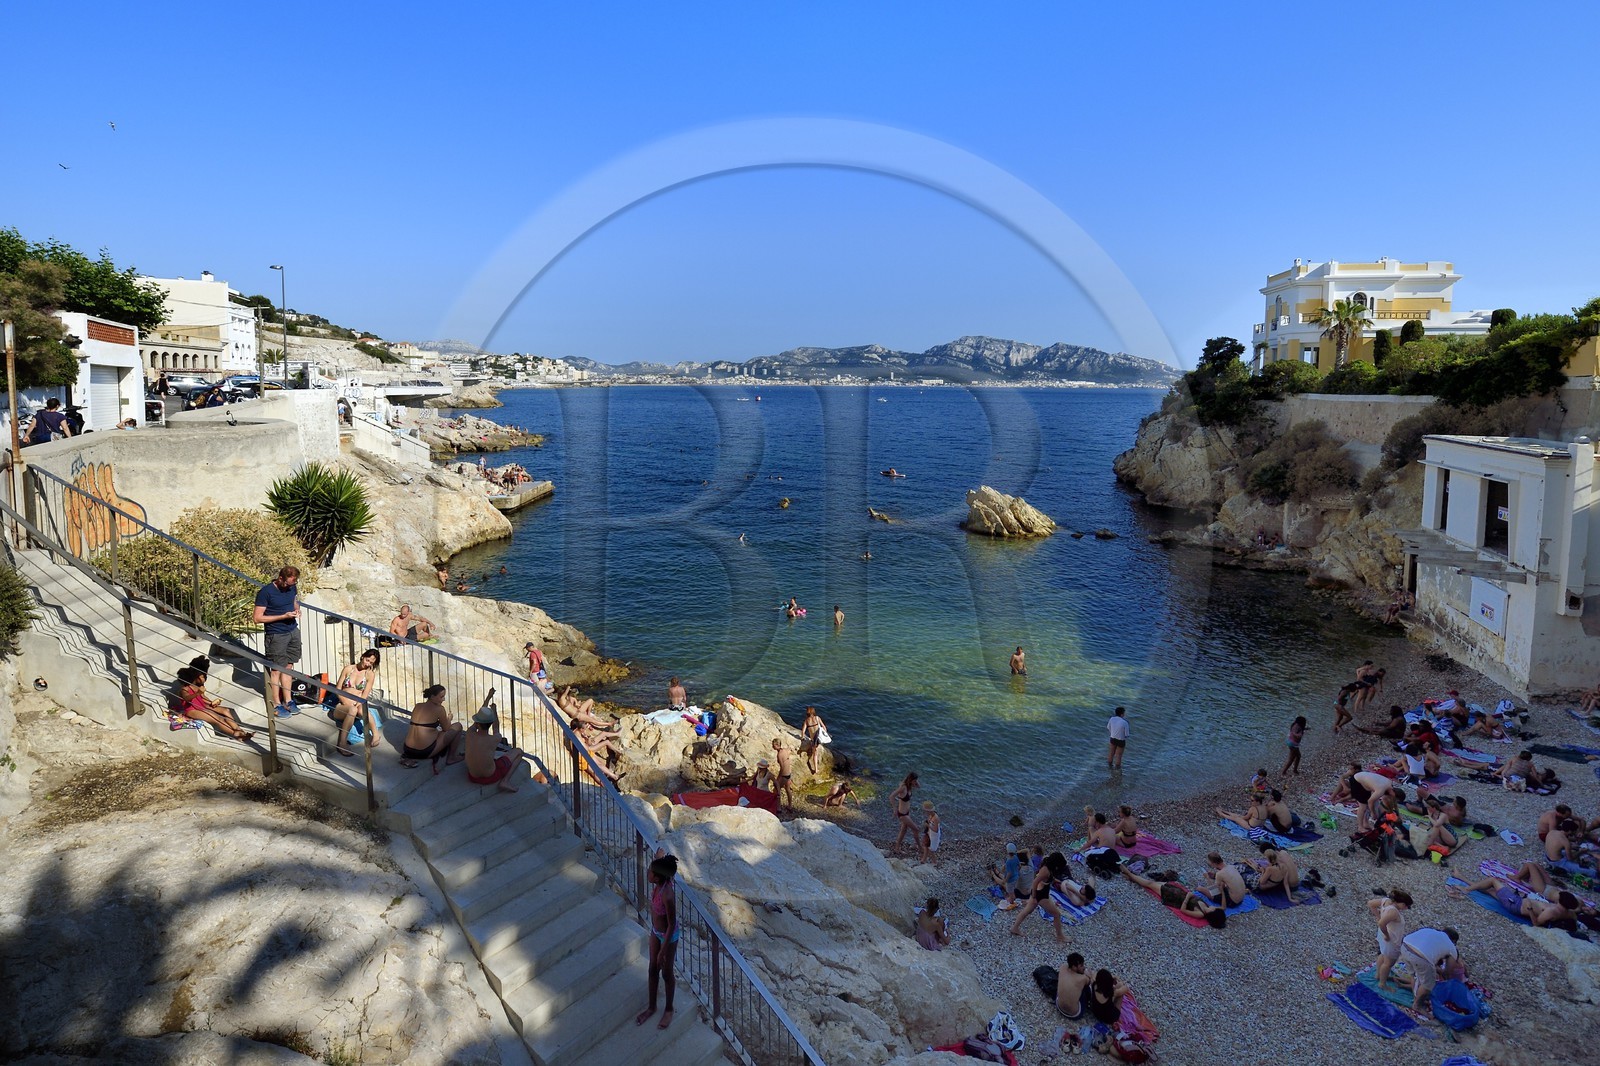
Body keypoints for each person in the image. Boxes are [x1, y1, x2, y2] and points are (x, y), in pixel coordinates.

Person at [635, 851, 680, 1029]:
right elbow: (658, 864)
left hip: (669, 936)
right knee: (652, 969)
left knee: (666, 973)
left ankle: (669, 1009)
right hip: (656, 931)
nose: (648, 873)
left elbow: (671, 923)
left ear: (658, 878)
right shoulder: (660, 878)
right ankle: (652, 1007)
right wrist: (658, 856)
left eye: (651, 872)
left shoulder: (667, 895)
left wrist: (663, 950)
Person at [252, 566, 302, 718]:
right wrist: (282, 616)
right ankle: (276, 703)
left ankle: (288, 700)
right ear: (280, 578)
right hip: (276, 634)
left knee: (289, 666)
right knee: (276, 669)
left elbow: (294, 601)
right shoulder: (266, 592)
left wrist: (296, 610)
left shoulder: (292, 587)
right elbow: (257, 618)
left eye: (293, 584)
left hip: (292, 630)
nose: (290, 587)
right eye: (288, 584)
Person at [1120, 866, 1226, 928]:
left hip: (1173, 897)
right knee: (1152, 883)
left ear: (1213, 913)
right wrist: (1223, 892)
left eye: (1215, 909)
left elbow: (1183, 910)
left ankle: (1128, 872)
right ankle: (1131, 877)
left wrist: (1188, 897)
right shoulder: (1208, 908)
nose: (1215, 907)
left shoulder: (1200, 913)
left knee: (1149, 884)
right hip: (1179, 892)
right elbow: (1223, 907)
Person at [173, 665, 253, 742]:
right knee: (217, 719)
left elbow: (203, 698)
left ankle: (239, 731)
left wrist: (212, 702)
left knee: (224, 714)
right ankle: (236, 735)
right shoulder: (184, 690)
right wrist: (198, 693)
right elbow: (187, 698)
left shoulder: (196, 686)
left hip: (201, 706)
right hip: (192, 710)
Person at [1009, 851, 1070, 943]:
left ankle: (1014, 928)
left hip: (1040, 892)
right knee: (1057, 914)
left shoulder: (1048, 863)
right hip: (1041, 895)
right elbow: (1035, 882)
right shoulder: (1046, 871)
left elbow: (1046, 879)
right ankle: (1060, 936)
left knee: (1026, 911)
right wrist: (1033, 897)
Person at [463, 703, 525, 792]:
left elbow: (477, 721)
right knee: (519, 752)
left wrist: (488, 697)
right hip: (491, 776)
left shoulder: (469, 733)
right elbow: (496, 727)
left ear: (477, 723)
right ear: (490, 723)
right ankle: (505, 781)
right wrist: (494, 710)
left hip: (472, 777)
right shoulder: (495, 738)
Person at [331, 648, 382, 758]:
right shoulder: (348, 669)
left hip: (357, 702)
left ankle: (375, 734)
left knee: (360, 709)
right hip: (342, 705)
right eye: (367, 660)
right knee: (352, 710)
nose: (367, 664)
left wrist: (358, 704)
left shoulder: (369, 674)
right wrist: (344, 701)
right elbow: (338, 689)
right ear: (363, 656)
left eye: (371, 663)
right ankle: (342, 743)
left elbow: (365, 695)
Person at [401, 683, 464, 769]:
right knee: (458, 726)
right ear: (432, 697)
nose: (443, 699)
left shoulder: (417, 706)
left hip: (407, 749)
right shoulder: (439, 709)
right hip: (424, 752)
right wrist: (449, 718)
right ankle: (451, 757)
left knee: (433, 731)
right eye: (441, 697)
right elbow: (446, 729)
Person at [1399, 927, 1461, 1010]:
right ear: (1453, 941)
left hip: (1404, 946)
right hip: (1420, 957)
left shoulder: (1431, 931)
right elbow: (1448, 972)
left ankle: (1415, 997)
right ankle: (1417, 1005)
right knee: (1428, 985)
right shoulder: (1452, 948)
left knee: (1414, 976)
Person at [1368, 889, 1412, 990]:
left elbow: (1370, 903)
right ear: (1399, 902)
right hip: (1391, 938)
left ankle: (1378, 975)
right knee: (1388, 963)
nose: (1405, 908)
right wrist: (1387, 935)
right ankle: (1382, 984)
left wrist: (1378, 917)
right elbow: (1381, 923)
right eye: (1405, 905)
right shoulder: (1394, 912)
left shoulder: (1385, 901)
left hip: (1383, 935)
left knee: (1383, 954)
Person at [1055, 953, 1093, 1019]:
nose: (1084, 967)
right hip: (1074, 1014)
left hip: (1059, 1006)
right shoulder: (1082, 979)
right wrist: (1087, 974)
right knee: (1086, 989)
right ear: (1074, 967)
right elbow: (1090, 981)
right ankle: (1088, 1004)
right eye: (1081, 966)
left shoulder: (1063, 967)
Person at [989, 842, 1024, 909]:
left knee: (1003, 883)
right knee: (1004, 880)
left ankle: (993, 873)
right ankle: (995, 871)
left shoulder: (1009, 861)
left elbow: (1009, 873)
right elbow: (1019, 866)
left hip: (1011, 880)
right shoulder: (1016, 857)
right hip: (1016, 878)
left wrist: (1005, 880)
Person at [892, 772, 919, 851]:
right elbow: (891, 796)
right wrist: (894, 809)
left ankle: (897, 848)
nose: (915, 782)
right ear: (910, 780)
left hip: (907, 813)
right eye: (914, 781)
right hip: (903, 814)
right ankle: (919, 847)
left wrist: (915, 781)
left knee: (903, 830)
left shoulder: (909, 786)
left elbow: (918, 786)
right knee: (916, 829)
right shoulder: (903, 787)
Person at [799, 706, 827, 773]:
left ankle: (816, 769)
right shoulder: (817, 718)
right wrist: (825, 734)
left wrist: (802, 738)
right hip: (819, 739)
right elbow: (824, 727)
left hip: (813, 740)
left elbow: (803, 731)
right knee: (815, 753)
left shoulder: (807, 720)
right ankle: (816, 769)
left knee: (815, 754)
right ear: (813, 711)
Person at [772, 738, 795, 812]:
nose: (772, 746)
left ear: (776, 745)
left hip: (784, 775)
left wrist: (778, 778)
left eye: (773, 745)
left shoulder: (779, 754)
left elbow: (782, 767)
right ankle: (790, 806)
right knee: (788, 789)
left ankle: (778, 808)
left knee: (776, 790)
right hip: (789, 773)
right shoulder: (784, 750)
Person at [920, 800, 941, 864]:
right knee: (926, 845)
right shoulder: (931, 815)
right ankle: (923, 860)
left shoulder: (936, 818)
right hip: (929, 833)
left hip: (934, 835)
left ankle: (934, 862)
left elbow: (936, 830)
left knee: (931, 850)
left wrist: (928, 825)